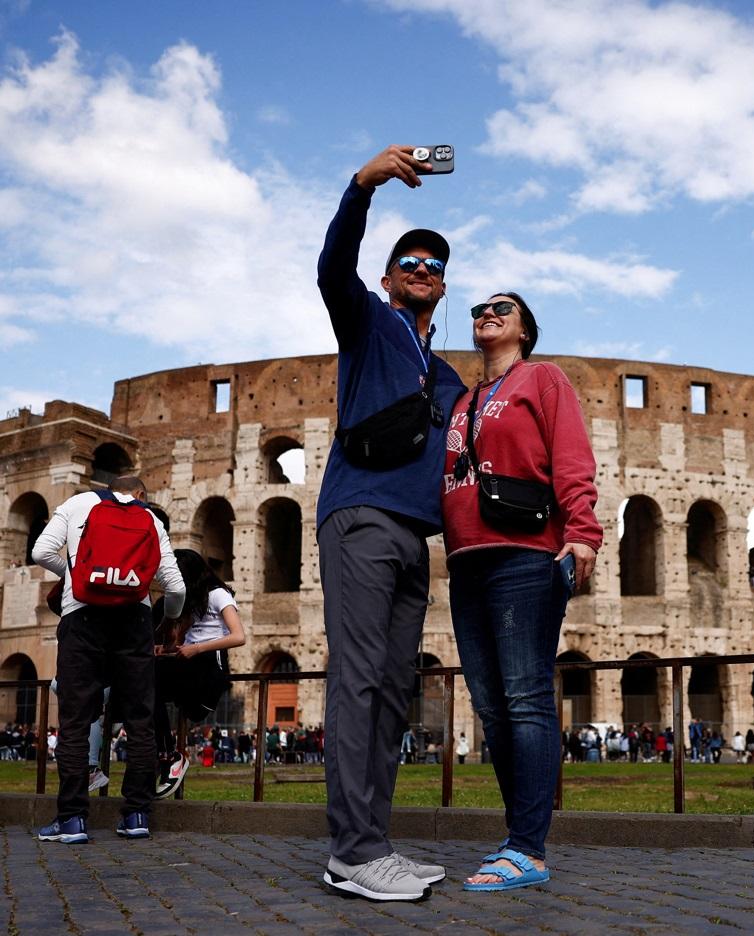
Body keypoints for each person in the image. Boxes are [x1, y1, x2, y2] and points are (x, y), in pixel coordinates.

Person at [316, 145, 466, 901]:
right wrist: (362, 187)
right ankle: (351, 852)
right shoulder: (370, 324)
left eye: (433, 265)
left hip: (414, 537)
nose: (421, 268)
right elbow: (330, 270)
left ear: (443, 285)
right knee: (359, 679)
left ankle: (372, 842)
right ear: (387, 277)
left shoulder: (449, 377)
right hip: (362, 516)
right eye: (409, 261)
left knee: (390, 690)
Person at [443, 290, 602, 891]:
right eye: (480, 310)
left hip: (525, 553)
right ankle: (517, 836)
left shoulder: (542, 379)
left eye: (502, 309)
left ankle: (527, 847)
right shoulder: (464, 400)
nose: (487, 314)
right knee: (490, 706)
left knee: (526, 697)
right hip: (466, 560)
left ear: (525, 331)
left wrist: (582, 532)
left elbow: (570, 455)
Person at [31, 476, 185, 843]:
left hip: (81, 616)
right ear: (140, 494)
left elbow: (41, 552)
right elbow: (176, 587)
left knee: (75, 720)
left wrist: (77, 575)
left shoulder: (76, 504)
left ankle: (72, 820)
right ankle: (136, 815)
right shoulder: (150, 518)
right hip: (135, 621)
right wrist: (167, 621)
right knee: (140, 719)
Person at [152, 549, 246, 799]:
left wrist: (196, 649)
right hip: (190, 661)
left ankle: (169, 757)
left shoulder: (218, 594)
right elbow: (185, 641)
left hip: (209, 665)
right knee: (145, 684)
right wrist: (166, 649)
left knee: (150, 680)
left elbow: (239, 636)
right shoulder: (193, 600)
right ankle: (167, 755)